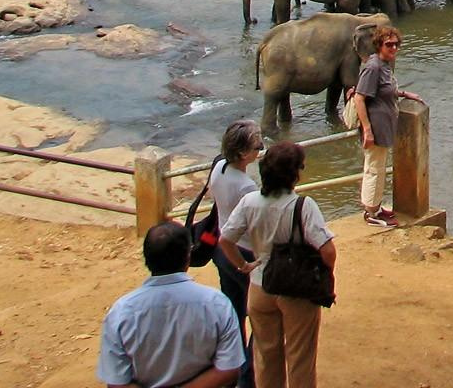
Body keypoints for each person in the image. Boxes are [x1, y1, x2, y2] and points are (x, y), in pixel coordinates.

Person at [218, 142, 336, 388]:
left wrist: (243, 265)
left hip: (260, 285)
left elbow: (225, 240)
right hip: (296, 289)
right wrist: (325, 276)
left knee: (265, 356)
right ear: (295, 174)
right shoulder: (303, 206)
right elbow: (327, 250)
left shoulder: (249, 202)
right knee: (300, 357)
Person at [98, 221, 243, 388]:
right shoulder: (217, 304)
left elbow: (117, 383)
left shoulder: (121, 312)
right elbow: (229, 370)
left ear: (146, 258)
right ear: (188, 257)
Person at [209, 120, 263, 388]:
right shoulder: (247, 187)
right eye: (256, 146)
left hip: (222, 249)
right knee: (258, 315)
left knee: (234, 313)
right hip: (244, 254)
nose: (260, 149)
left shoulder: (218, 168)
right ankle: (248, 377)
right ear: (243, 154)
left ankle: (231, 367)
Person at [356, 24, 424, 228]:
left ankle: (375, 207)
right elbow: (360, 98)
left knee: (379, 167)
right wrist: (367, 130)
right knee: (374, 170)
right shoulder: (373, 67)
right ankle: (370, 213)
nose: (393, 48)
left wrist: (405, 94)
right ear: (379, 45)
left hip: (384, 126)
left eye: (396, 45)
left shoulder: (384, 65)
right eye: (389, 45)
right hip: (375, 127)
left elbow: (386, 90)